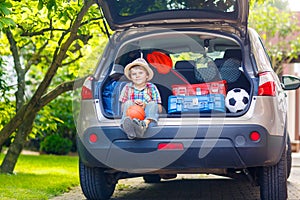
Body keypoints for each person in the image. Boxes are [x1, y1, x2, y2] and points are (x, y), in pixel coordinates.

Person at [119, 57, 162, 139]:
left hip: (147, 119)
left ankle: (143, 125)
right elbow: (122, 108)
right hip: (131, 117)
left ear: (147, 75)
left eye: (140, 73)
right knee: (127, 103)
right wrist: (134, 106)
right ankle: (129, 127)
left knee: (153, 104)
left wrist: (146, 105)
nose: (137, 76)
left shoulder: (152, 87)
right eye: (134, 74)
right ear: (130, 77)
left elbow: (159, 109)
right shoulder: (127, 87)